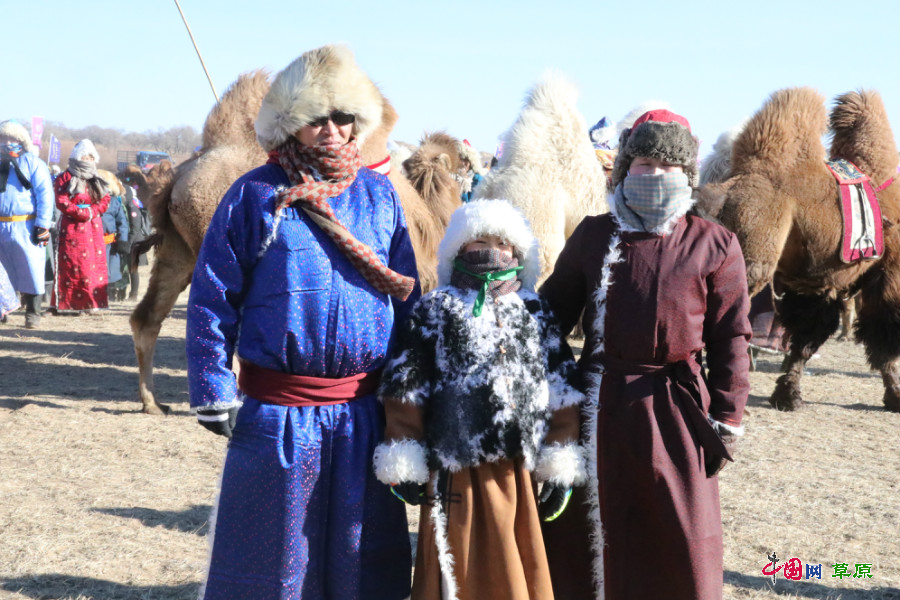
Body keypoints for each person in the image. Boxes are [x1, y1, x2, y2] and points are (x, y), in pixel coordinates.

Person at [186, 44, 419, 599]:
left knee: (362, 560)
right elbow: (212, 297)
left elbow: (407, 302)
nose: (333, 130)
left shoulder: (379, 194)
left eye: (345, 117)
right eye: (318, 118)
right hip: (279, 419)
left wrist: (412, 395)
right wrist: (212, 386)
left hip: (364, 416)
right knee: (274, 566)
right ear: (291, 123)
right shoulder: (254, 195)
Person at [539, 109, 752, 600]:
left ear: (688, 175)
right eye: (642, 163)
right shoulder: (595, 234)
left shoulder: (714, 243)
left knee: (677, 530)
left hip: (677, 410)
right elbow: (549, 315)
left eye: (667, 165)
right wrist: (554, 393)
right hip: (597, 405)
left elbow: (732, 338)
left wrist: (726, 416)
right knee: (592, 531)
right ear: (623, 170)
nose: (653, 174)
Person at [373, 199, 585, 600]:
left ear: (519, 254)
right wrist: (403, 452)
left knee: (514, 562)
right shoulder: (436, 308)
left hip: (516, 471)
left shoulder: (533, 310)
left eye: (503, 243)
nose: (492, 250)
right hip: (452, 467)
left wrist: (560, 460)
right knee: (454, 565)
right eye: (480, 241)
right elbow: (406, 385)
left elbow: (561, 387)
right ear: (458, 250)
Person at [0, 120, 54, 328]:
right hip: (0, 225)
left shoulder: (33, 163)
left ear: (20, 140)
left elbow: (45, 196)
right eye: (2, 138)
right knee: (1, 272)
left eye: (10, 138)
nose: (6, 143)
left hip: (26, 225)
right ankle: (3, 311)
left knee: (30, 269)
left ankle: (33, 312)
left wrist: (42, 225)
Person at [52, 140, 110, 313]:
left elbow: (105, 199)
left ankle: (92, 303)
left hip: (93, 226)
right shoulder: (65, 177)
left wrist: (93, 211)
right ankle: (68, 303)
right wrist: (80, 213)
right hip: (72, 225)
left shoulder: (96, 177)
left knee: (92, 264)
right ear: (77, 158)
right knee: (72, 263)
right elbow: (61, 200)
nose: (88, 159)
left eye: (91, 156)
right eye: (85, 156)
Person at [101, 186, 130, 301]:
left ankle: (111, 295)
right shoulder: (88, 200)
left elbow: (122, 223)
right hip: (90, 244)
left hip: (109, 245)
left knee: (111, 272)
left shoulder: (113, 202)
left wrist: (123, 240)